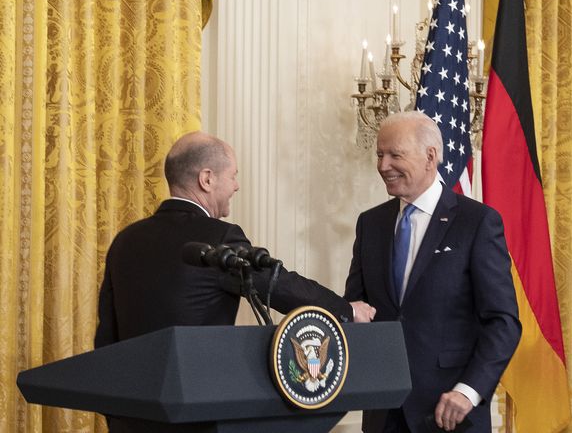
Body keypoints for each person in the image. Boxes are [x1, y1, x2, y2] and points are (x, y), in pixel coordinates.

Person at [95, 131, 375, 349]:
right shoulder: (219, 237)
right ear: (207, 179)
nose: (236, 186)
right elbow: (278, 285)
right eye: (233, 176)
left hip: (133, 400)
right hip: (196, 396)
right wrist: (346, 310)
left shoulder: (124, 241)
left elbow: (106, 335)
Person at [344, 111, 521, 433]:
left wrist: (468, 391)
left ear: (430, 156)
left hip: (450, 413)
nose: (383, 165)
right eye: (380, 155)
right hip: (383, 413)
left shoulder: (477, 222)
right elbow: (356, 308)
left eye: (395, 155)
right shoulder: (371, 224)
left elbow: (503, 321)